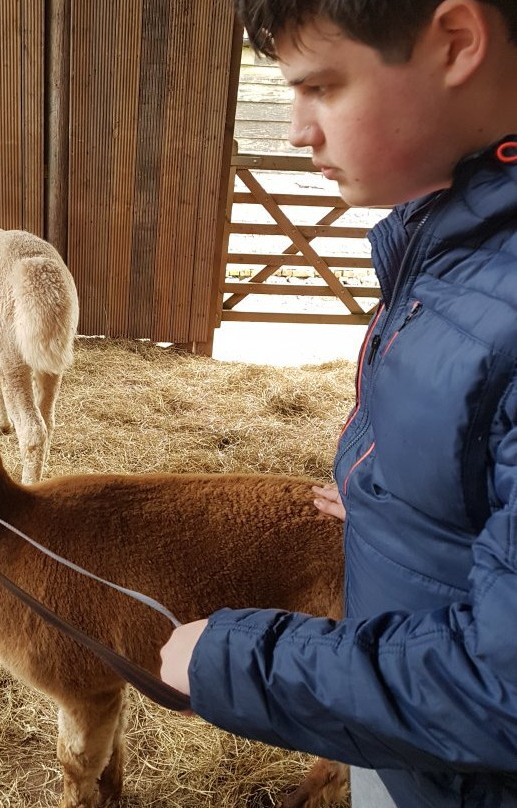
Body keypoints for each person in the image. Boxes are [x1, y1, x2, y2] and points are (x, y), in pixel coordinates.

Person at [159, 2, 517, 806]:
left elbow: (505, 686)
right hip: (407, 744)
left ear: (456, 42)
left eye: (321, 87)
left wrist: (234, 663)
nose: (296, 130)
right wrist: (397, 514)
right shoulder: (455, 237)